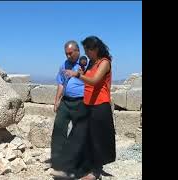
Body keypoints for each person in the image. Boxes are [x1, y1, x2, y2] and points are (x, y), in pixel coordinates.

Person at [64, 36, 116, 180]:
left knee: (97, 139)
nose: (86, 53)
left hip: (100, 105)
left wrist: (78, 75)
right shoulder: (91, 63)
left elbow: (94, 81)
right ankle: (81, 165)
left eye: (88, 49)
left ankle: (95, 172)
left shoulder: (104, 62)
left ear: (96, 48)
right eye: (85, 50)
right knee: (81, 135)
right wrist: (82, 72)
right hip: (87, 104)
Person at [50, 40, 89, 178]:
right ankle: (58, 161)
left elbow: (94, 81)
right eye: (66, 54)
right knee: (59, 128)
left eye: (70, 53)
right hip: (66, 102)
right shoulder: (64, 64)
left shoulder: (86, 63)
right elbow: (61, 83)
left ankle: (79, 163)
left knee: (79, 133)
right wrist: (56, 101)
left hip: (81, 102)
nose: (68, 56)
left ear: (78, 51)